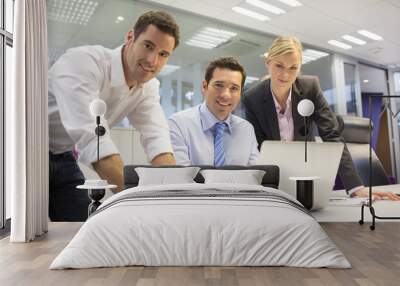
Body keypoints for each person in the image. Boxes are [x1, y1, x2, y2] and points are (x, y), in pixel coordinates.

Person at [48, 11, 180, 221]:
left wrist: (175, 199)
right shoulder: (83, 62)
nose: (152, 60)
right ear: (130, 38)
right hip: (25, 153)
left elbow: (158, 141)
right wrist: (141, 205)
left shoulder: (148, 87)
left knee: (86, 226)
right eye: (148, 46)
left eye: (163, 54)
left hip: (62, 156)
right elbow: (94, 140)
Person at [242, 36, 400, 200]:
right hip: (273, 176)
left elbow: (331, 134)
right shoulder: (252, 98)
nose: (285, 75)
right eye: (279, 66)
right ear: (268, 62)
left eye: (293, 68)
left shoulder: (310, 88)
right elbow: (259, 146)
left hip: (307, 169)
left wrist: (355, 187)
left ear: (300, 68)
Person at [168, 57, 259, 166]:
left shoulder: (246, 129)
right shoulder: (178, 124)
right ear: (204, 87)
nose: (226, 95)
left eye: (234, 88)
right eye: (219, 85)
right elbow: (181, 175)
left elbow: (255, 175)